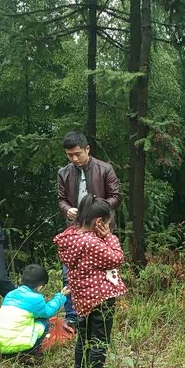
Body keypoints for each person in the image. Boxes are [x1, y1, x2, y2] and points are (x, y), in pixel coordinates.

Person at [54, 196, 126, 368]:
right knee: (100, 340)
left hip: (82, 299)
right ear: (99, 222)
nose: (108, 227)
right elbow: (117, 258)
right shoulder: (92, 243)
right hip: (101, 298)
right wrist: (109, 237)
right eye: (107, 224)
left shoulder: (71, 237)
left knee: (84, 337)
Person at [57, 131, 122, 327]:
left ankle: (101, 311)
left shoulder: (105, 169)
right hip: (76, 230)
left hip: (100, 227)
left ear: (87, 149)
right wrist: (67, 210)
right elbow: (61, 199)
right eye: (70, 155)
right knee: (70, 272)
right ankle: (73, 316)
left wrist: (95, 209)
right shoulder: (64, 173)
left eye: (78, 154)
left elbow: (116, 196)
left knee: (103, 270)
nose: (74, 159)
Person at [0, 264, 69, 357]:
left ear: (21, 280)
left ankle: (6, 353)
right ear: (40, 287)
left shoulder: (10, 294)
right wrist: (61, 296)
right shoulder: (36, 298)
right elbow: (48, 312)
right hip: (15, 345)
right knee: (44, 321)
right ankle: (31, 352)